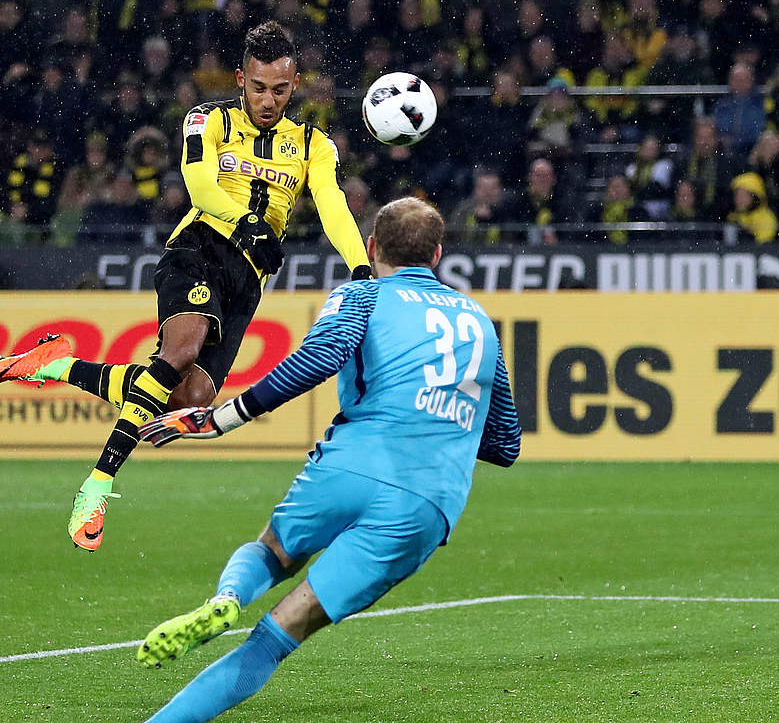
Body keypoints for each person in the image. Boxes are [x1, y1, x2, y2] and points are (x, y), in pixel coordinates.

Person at [130, 196, 521, 722]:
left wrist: (217, 419)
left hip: (350, 465)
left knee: (272, 551)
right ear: (437, 254)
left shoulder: (362, 296)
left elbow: (315, 361)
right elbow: (506, 444)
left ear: (372, 247)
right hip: (425, 503)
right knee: (272, 641)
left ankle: (228, 597)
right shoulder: (480, 321)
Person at [0, 22, 371, 551]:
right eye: (259, 87)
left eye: (281, 89)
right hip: (200, 248)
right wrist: (246, 224)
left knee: (189, 397)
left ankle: (51, 365)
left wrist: (359, 269)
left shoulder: (313, 144)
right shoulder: (208, 119)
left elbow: (333, 205)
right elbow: (199, 183)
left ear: (295, 86)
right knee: (181, 349)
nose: (269, 100)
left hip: (247, 281)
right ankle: (97, 484)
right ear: (241, 79)